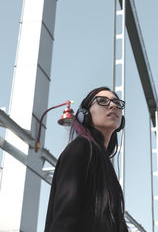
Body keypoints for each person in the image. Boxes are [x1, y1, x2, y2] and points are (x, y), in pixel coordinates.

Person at [44, 86, 129, 232]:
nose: (113, 105)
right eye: (102, 101)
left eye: (117, 102)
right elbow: (65, 218)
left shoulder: (103, 162)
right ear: (85, 114)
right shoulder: (81, 149)